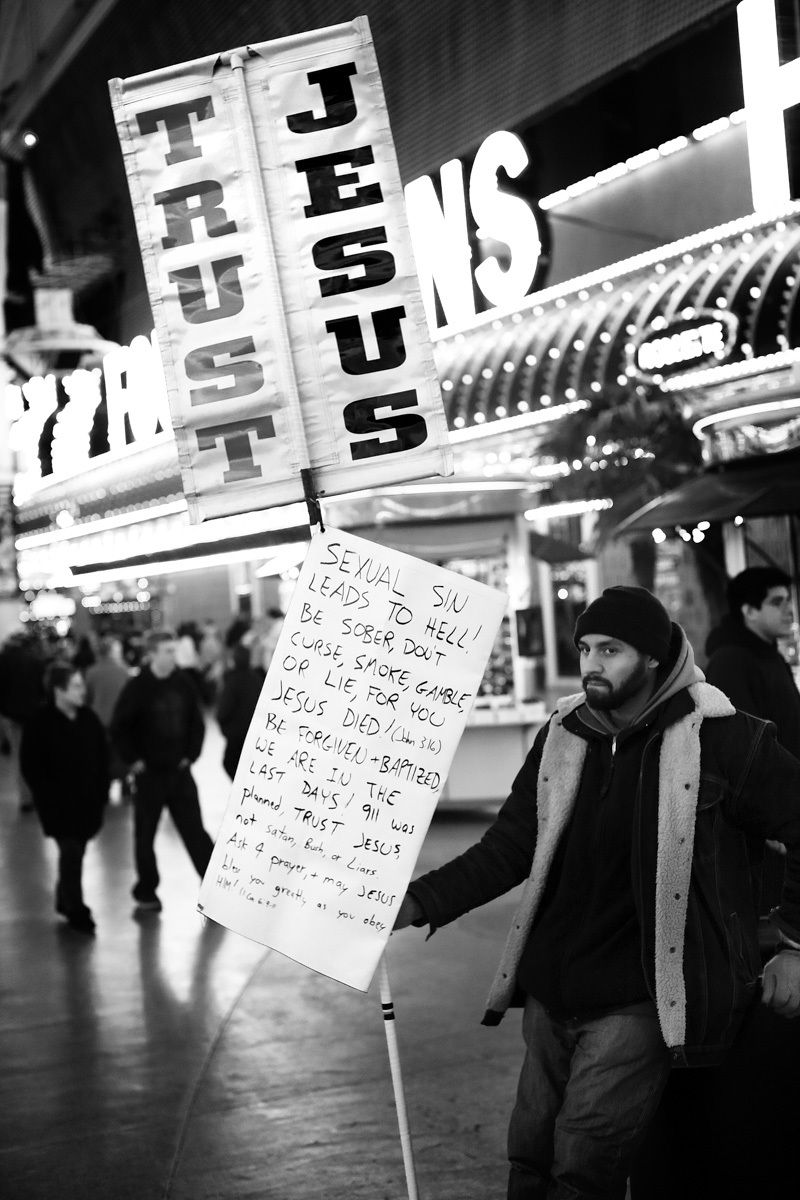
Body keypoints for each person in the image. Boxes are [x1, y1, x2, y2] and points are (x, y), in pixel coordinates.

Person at [393, 585, 800, 1200]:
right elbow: (510, 845)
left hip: (642, 998)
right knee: (529, 1159)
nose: (590, 664)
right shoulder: (564, 734)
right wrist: (418, 901)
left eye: (610, 649)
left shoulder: (725, 738)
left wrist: (794, 944)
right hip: (553, 992)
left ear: (656, 658)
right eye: (585, 647)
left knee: (581, 1171)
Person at [629, 567, 800, 1199]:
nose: (788, 612)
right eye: (778, 602)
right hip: (671, 975)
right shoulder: (594, 742)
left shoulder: (732, 717)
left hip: (732, 943)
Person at [110, 629, 213, 913]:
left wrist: (190, 755)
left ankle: (215, 889)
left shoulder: (183, 683)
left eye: (174, 650)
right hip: (150, 775)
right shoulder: (137, 687)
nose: (173, 656)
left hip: (179, 772)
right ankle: (146, 891)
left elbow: (197, 721)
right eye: (168, 651)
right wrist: (133, 760)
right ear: (153, 654)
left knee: (195, 832)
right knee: (145, 835)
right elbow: (119, 727)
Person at [20, 662, 109, 933]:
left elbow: (103, 757)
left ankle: (64, 900)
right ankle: (77, 910)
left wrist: (101, 794)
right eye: (77, 686)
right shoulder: (39, 723)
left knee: (76, 852)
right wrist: (44, 797)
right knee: (71, 852)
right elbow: (30, 764)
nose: (83, 692)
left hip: (87, 804)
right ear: (59, 691)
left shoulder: (88, 719)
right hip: (57, 806)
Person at [0, 631, 46, 811]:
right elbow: (43, 689)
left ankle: (26, 798)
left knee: (20, 755)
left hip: (13, 715)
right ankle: (38, 793)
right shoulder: (36, 661)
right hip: (35, 715)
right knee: (37, 755)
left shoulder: (4, 660)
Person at [85, 635, 132, 801]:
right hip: (120, 720)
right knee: (121, 753)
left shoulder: (91, 672)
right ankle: (126, 783)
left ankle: (104, 785)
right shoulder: (123, 670)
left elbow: (87, 697)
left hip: (99, 720)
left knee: (103, 754)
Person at [216, 643, 265, 779]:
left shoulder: (232, 681)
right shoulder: (257, 679)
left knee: (230, 763)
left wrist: (227, 730)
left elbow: (223, 711)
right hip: (254, 733)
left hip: (237, 735)